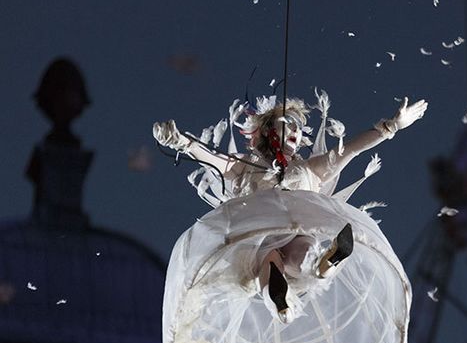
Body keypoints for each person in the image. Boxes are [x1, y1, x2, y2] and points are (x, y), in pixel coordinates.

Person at [154, 95, 427, 321]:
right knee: (269, 258)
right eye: (289, 124)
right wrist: (181, 142)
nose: (296, 131)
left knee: (302, 253)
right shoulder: (245, 167)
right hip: (257, 239)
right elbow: (212, 157)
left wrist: (391, 126)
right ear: (268, 130)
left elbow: (350, 151)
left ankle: (322, 265)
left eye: (299, 128)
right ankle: (284, 295)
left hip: (297, 231)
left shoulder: (309, 169)